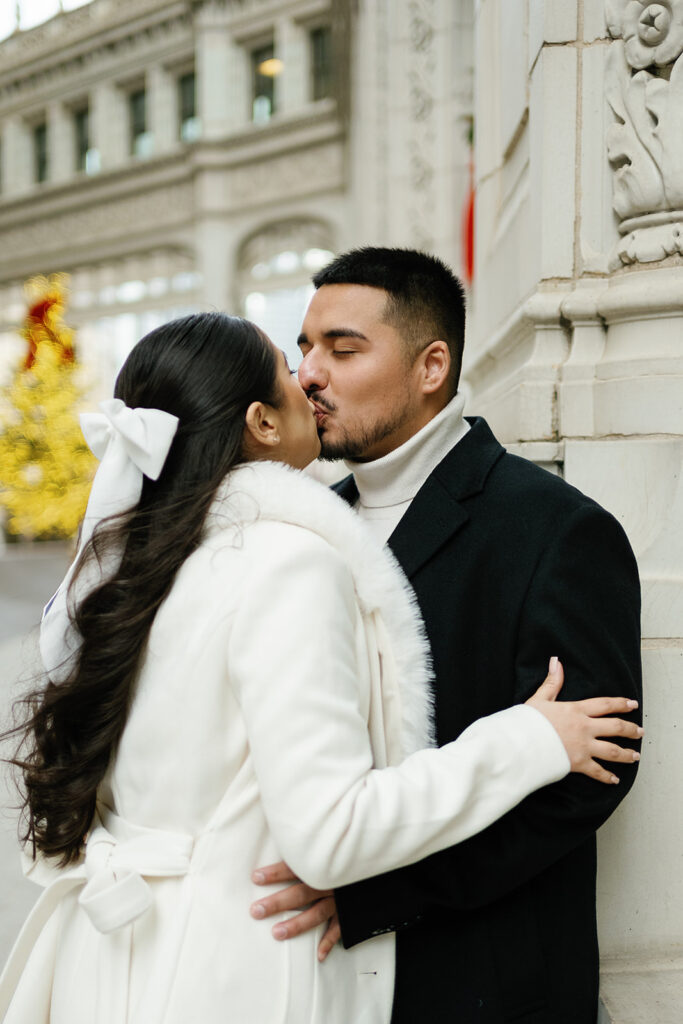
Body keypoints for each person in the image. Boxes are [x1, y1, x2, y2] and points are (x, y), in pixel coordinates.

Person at [0, 313, 641, 1024]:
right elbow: (330, 833)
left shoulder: (144, 569)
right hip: (232, 969)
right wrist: (527, 740)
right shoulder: (287, 563)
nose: (308, 380)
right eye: (290, 365)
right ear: (261, 424)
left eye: (337, 348)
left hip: (114, 964)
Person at [249, 248, 643, 1024]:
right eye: (303, 348)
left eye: (342, 348)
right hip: (324, 984)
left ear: (432, 366)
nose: (307, 376)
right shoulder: (306, 520)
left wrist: (378, 891)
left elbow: (589, 774)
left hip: (482, 979)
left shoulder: (554, 528)